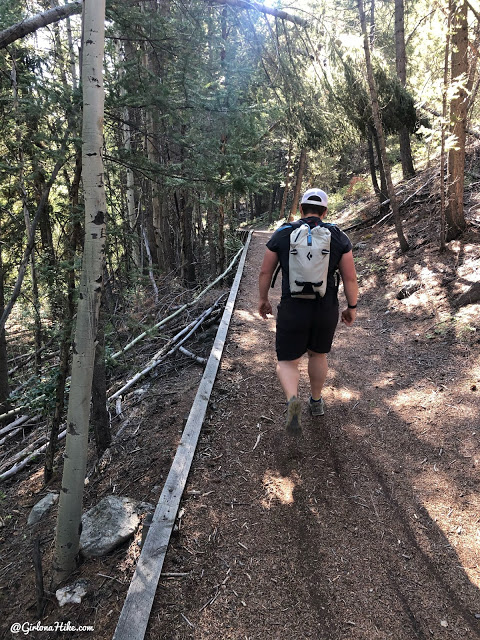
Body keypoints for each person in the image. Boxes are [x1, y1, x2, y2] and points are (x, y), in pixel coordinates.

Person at [258, 187, 358, 432]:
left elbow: (265, 272)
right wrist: (351, 307)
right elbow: (351, 279)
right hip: (325, 309)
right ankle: (315, 401)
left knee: (288, 361)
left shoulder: (283, 233)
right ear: (325, 211)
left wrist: (263, 299)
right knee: (318, 355)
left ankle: (293, 402)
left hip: (292, 308)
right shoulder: (338, 236)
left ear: (301, 209)